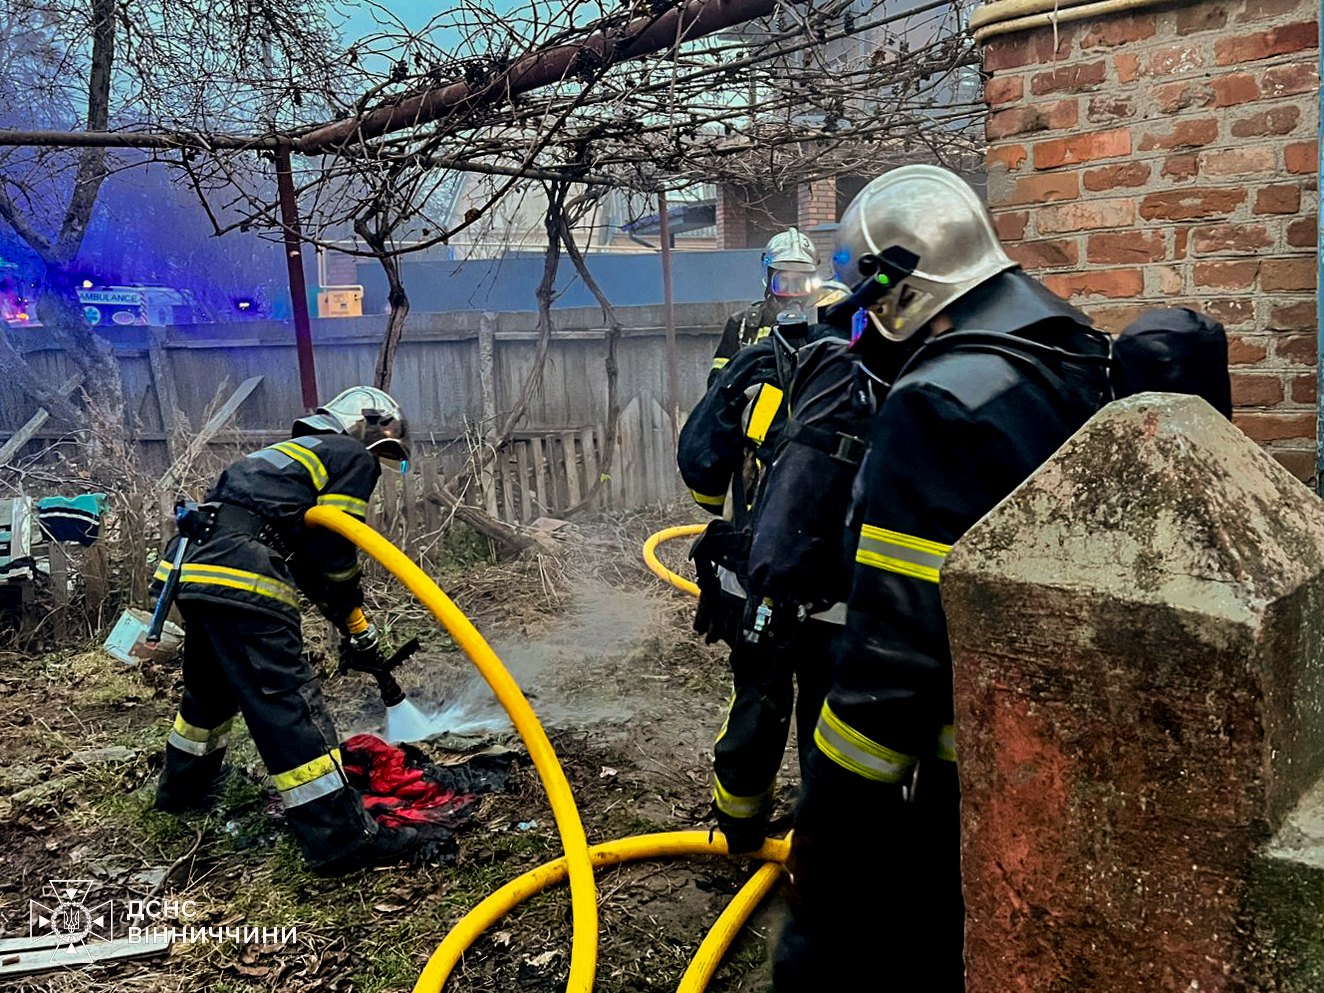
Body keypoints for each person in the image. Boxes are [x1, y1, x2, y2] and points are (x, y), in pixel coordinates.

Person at [772, 165, 1113, 990]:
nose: (861, 333)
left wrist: (828, 835)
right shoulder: (1070, 345)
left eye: (867, 308)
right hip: (1068, 748)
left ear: (898, 290)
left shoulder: (937, 402)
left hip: (963, 777)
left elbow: (891, 667)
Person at [152, 386, 422, 876]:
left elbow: (304, 558)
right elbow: (336, 543)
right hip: (242, 573)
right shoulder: (347, 454)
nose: (377, 462)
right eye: (382, 448)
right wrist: (349, 602)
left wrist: (347, 622)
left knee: (210, 690)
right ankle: (341, 838)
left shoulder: (280, 461)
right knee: (286, 699)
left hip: (195, 568)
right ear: (365, 426)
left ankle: (183, 792)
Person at [708, 228, 825, 385]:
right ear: (769, 280)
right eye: (783, 281)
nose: (791, 291)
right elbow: (717, 385)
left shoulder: (823, 324)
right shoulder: (743, 324)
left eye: (800, 282)